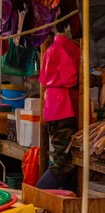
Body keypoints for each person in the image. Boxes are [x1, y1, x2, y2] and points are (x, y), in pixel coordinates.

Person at [36, 24, 105, 190]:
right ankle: (37, 195)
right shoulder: (62, 47)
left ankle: (65, 199)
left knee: (70, 163)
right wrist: (99, 80)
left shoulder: (56, 46)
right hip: (62, 109)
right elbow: (72, 79)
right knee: (64, 164)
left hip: (57, 108)